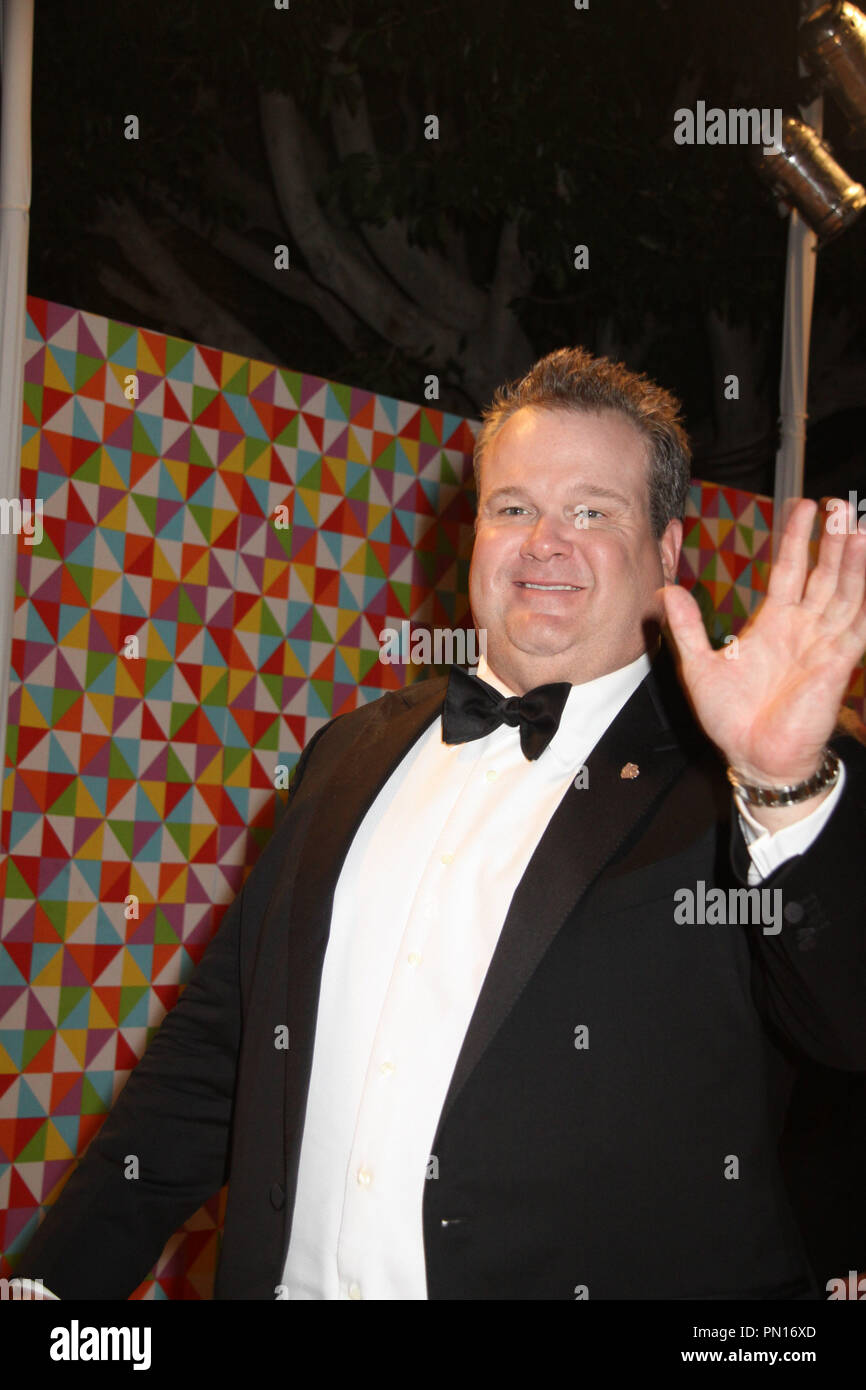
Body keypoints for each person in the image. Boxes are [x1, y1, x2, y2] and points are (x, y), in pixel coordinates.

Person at [15, 347, 866, 1300]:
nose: (545, 541)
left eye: (593, 510)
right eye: (514, 507)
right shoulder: (347, 752)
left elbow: (846, 1026)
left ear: (666, 550)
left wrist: (781, 782)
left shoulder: (746, 778)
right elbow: (222, 1052)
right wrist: (57, 1294)